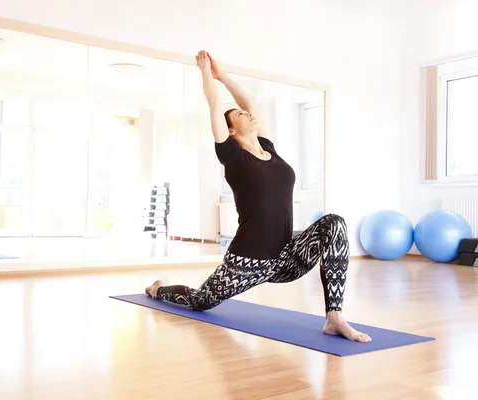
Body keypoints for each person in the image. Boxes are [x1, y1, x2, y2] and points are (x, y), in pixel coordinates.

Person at [145, 50, 371, 343]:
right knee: (200, 300)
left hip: (286, 256)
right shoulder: (232, 156)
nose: (248, 113)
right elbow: (214, 102)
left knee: (334, 224)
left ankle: (334, 318)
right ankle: (157, 290)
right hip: (248, 261)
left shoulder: (268, 147)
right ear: (230, 130)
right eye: (239, 115)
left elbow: (250, 102)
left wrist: (222, 74)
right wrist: (205, 72)